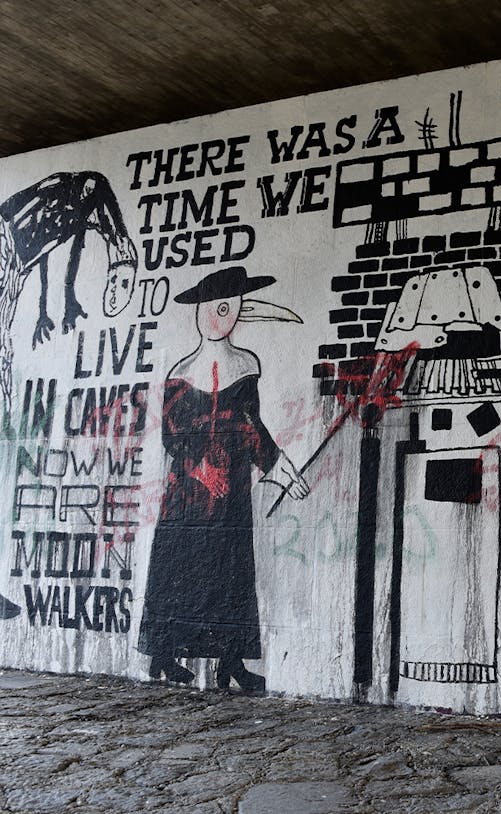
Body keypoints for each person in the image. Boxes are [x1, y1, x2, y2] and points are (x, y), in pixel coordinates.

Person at [138, 266, 309, 692]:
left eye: (228, 307)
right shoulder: (179, 371)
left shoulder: (247, 366)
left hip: (232, 490)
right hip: (187, 495)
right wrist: (199, 469)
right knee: (178, 566)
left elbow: (253, 427)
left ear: (236, 312)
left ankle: (230, 661)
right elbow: (171, 436)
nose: (220, 315)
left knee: (231, 571)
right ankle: (163, 655)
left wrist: (279, 465)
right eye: (213, 307)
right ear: (199, 312)